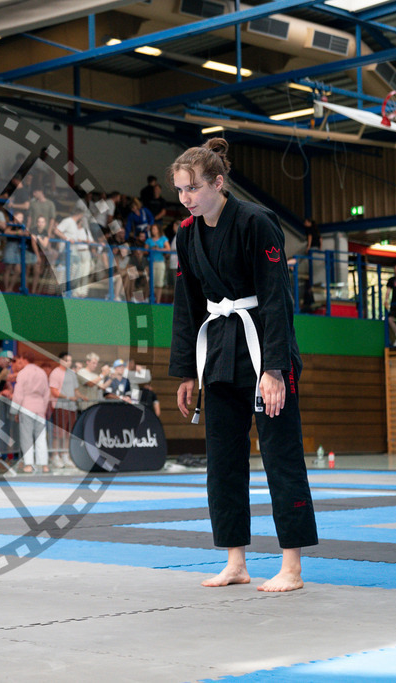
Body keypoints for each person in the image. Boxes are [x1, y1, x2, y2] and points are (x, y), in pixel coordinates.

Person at [169, 137, 317, 593]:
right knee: (223, 459)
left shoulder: (257, 221)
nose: (186, 198)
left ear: (218, 182)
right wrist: (187, 372)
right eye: (179, 190)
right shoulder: (186, 234)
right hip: (218, 349)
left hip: (262, 347)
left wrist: (274, 369)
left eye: (192, 188)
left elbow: (276, 296)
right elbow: (188, 302)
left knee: (280, 453)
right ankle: (236, 561)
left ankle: (291, 567)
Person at [10, 355, 50, 474]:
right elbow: (47, 393)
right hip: (40, 406)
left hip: (26, 406)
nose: (19, 363)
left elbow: (18, 393)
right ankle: (44, 465)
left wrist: (14, 411)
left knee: (26, 436)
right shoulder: (42, 372)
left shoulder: (23, 373)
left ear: (25, 360)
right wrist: (44, 407)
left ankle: (29, 464)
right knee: (41, 437)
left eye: (21, 361)